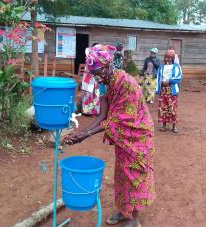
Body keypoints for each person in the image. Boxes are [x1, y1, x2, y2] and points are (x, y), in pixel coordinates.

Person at [64, 44, 155, 227]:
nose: (96, 78)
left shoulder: (127, 83)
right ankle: (123, 211)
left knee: (135, 175)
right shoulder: (106, 84)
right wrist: (79, 133)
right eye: (93, 74)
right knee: (122, 174)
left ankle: (134, 218)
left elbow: (119, 120)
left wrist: (85, 135)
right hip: (123, 137)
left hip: (138, 135)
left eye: (98, 72)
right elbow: (103, 115)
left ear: (108, 65)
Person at [156, 49, 183, 133]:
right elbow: (158, 78)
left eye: (169, 57)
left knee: (172, 108)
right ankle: (164, 125)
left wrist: (169, 81)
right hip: (163, 90)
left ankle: (174, 126)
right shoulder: (162, 67)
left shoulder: (176, 66)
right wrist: (159, 88)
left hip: (172, 90)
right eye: (166, 57)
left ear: (173, 58)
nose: (167, 59)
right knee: (163, 107)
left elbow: (179, 77)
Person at [81, 43, 101, 116]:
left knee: (95, 95)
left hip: (95, 79)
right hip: (89, 79)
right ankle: (87, 112)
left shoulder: (98, 58)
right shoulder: (90, 58)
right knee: (88, 94)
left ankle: (94, 112)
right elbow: (91, 69)